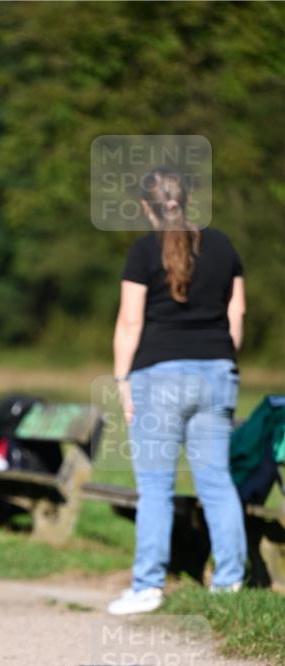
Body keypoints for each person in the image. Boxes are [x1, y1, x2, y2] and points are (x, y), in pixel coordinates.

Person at [108, 168, 247, 615]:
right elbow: (237, 313)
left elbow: (130, 322)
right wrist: (224, 361)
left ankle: (148, 586)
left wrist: (123, 382)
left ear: (148, 207)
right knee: (218, 483)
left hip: (158, 376)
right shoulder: (223, 245)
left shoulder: (143, 251)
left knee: (154, 486)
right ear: (186, 202)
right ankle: (229, 583)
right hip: (217, 373)